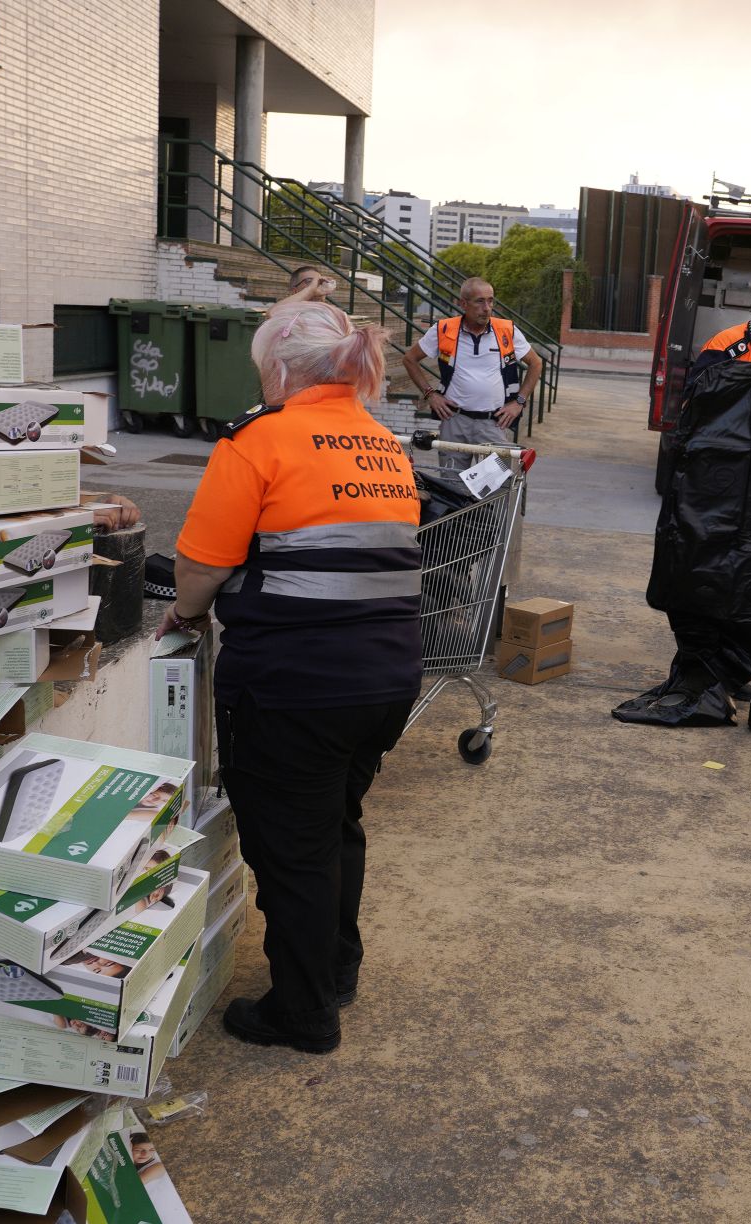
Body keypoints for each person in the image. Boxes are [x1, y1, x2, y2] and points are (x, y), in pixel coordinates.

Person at [163, 298, 422, 1053]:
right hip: (383, 679)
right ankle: (337, 968)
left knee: (290, 849)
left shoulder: (260, 440)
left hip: (296, 685)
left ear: (278, 370)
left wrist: (184, 611)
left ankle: (304, 1011)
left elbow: (201, 568)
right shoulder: (383, 442)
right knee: (336, 825)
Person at [613, 276, 751, 723]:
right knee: (702, 574)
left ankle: (729, 668)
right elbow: (695, 420)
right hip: (714, 491)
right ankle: (701, 666)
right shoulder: (727, 348)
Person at [402, 277, 544, 459]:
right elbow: (410, 359)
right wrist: (430, 394)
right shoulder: (444, 329)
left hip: (493, 423)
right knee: (450, 484)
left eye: (490, 300)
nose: (487, 308)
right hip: (454, 420)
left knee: (494, 485)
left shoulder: (506, 330)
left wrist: (519, 402)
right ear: (463, 303)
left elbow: (536, 363)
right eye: (480, 301)